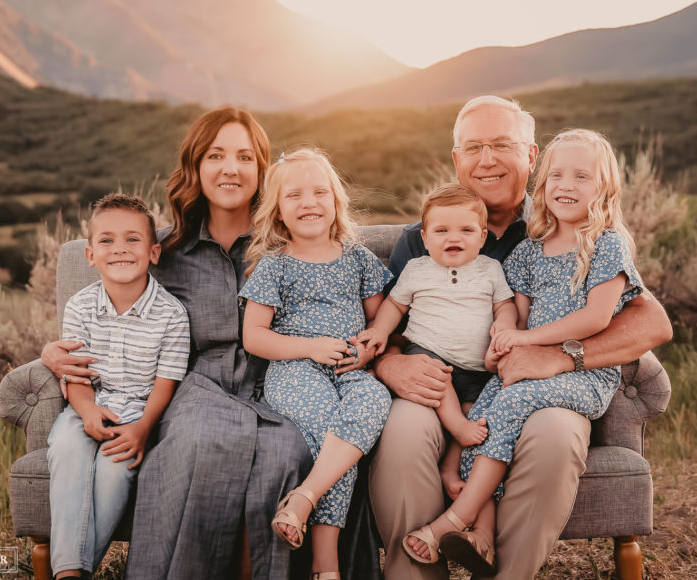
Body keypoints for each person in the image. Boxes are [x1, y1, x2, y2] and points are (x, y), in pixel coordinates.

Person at [369, 96, 673, 579]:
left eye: (502, 145)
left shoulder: (560, 225)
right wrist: (389, 366)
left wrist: (562, 357)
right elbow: (384, 322)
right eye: (473, 148)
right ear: (457, 160)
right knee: (403, 434)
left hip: (541, 391)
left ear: (532, 157)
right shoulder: (422, 237)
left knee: (553, 435)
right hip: (438, 389)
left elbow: (652, 323)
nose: (486, 159)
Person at [41, 108, 345, 580]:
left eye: (245, 157)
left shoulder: (291, 246)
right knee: (202, 440)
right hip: (197, 392)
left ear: (262, 170)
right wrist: (49, 353)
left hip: (277, 394)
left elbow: (351, 305)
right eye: (216, 155)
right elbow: (107, 311)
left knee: (285, 456)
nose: (230, 168)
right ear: (195, 167)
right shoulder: (163, 251)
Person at [239, 148, 393, 580]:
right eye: (294, 195)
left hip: (352, 371)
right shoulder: (275, 265)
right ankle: (326, 565)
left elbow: (381, 319)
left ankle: (304, 498)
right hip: (296, 371)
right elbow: (255, 337)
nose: (309, 202)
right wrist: (309, 347)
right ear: (278, 211)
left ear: (336, 201)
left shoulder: (358, 257)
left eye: (319, 192)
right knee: (333, 430)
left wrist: (370, 346)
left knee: (372, 402)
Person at [46, 194, 191, 579]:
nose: (120, 249)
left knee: (114, 470)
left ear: (154, 252)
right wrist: (88, 411)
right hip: (89, 404)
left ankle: (73, 570)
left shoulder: (172, 314)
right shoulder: (80, 307)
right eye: (107, 241)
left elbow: (167, 381)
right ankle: (70, 572)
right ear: (91, 255)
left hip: (139, 414)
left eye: (132, 239)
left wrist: (142, 429)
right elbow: (75, 374)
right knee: (66, 446)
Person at [356, 184, 516, 502]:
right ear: (425, 239)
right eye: (441, 230)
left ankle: (450, 467)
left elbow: (505, 305)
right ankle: (455, 425)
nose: (453, 238)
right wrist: (380, 331)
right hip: (428, 352)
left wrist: (507, 324)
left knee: (477, 413)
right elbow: (394, 306)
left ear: (482, 237)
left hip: (476, 367)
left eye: (466, 230)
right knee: (442, 386)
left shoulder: (490, 270)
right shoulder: (417, 270)